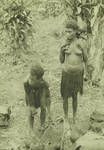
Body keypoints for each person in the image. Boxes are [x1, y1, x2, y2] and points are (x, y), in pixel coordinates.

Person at [60, 20, 88, 124]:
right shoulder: (64, 43)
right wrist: (61, 51)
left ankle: (74, 117)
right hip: (66, 73)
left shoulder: (81, 43)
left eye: (70, 31)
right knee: (65, 97)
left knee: (75, 96)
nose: (67, 34)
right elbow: (61, 60)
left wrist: (83, 50)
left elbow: (86, 59)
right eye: (66, 31)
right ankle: (66, 117)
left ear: (76, 31)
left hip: (77, 74)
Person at [24, 64, 51, 132]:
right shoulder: (26, 82)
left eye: (33, 78)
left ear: (39, 78)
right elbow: (28, 94)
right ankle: (31, 128)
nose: (30, 78)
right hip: (31, 94)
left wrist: (48, 108)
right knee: (31, 112)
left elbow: (47, 94)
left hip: (40, 91)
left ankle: (42, 125)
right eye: (30, 76)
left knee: (43, 107)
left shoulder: (43, 83)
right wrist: (32, 106)